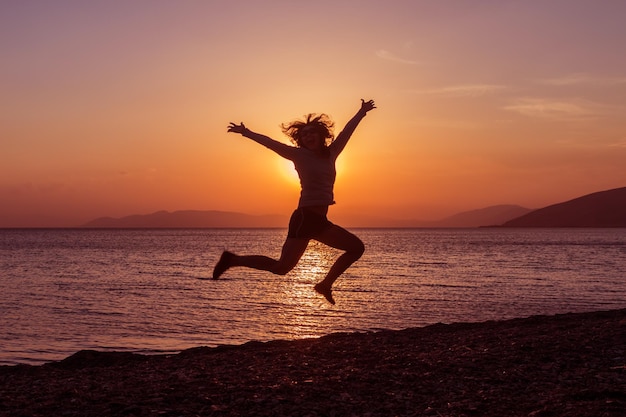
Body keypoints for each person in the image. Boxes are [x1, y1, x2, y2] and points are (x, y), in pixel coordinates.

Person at [213, 99, 376, 304]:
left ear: (321, 135)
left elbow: (346, 133)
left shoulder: (331, 153)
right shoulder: (298, 155)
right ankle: (232, 259)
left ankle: (325, 285)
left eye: (312, 132)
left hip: (319, 221)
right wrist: (247, 132)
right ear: (300, 139)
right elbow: (271, 143)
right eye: (304, 134)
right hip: (305, 218)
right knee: (282, 267)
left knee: (355, 248)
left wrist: (361, 112)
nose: (308, 136)